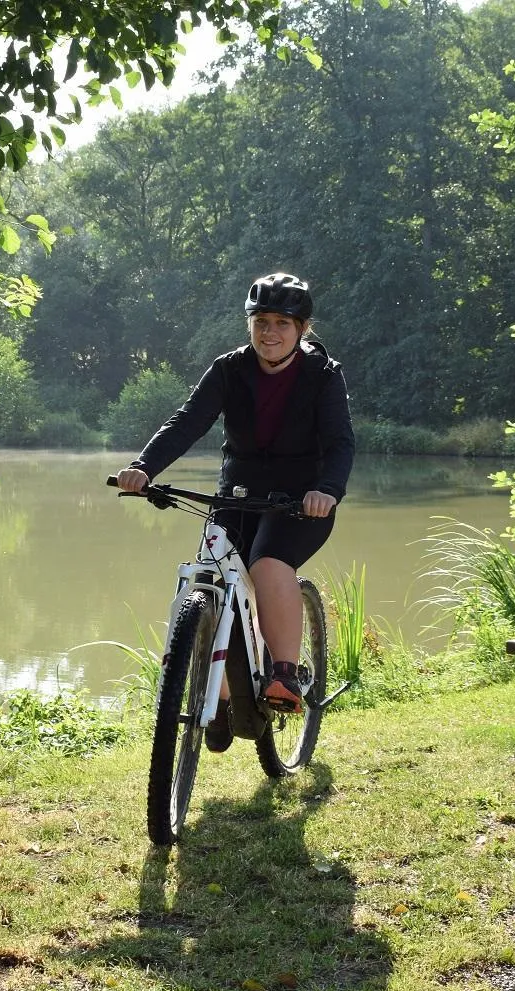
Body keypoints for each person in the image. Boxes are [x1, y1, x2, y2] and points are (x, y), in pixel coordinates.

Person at [115, 272, 355, 751]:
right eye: (261, 320)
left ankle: (285, 674)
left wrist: (326, 489)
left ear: (302, 329)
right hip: (237, 492)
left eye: (282, 323)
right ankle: (220, 699)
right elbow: (187, 422)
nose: (270, 331)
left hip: (300, 500)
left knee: (267, 565)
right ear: (250, 324)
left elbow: (340, 442)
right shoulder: (229, 369)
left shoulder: (322, 376)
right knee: (211, 575)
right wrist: (144, 465)